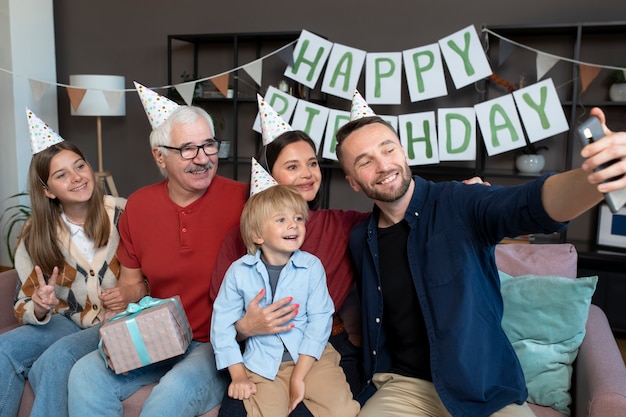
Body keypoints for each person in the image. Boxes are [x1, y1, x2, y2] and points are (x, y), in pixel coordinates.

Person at [333, 95, 626, 417]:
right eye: (365, 161)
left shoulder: (461, 202)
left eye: (388, 149)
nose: (383, 165)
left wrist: (593, 178)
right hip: (402, 387)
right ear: (353, 182)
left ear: (403, 152)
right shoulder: (362, 237)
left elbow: (528, 205)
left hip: (483, 387)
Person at [210, 95, 486, 417]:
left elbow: (398, 203)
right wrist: (246, 327)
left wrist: (457, 194)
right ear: (270, 177)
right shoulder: (240, 242)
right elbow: (222, 321)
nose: (308, 174)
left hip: (324, 346)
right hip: (255, 352)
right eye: (292, 166)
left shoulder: (344, 226)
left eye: (313, 163)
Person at [67, 83, 248, 417]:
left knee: (170, 394)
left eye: (209, 145)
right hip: (160, 332)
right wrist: (121, 299)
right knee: (86, 374)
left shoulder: (244, 200)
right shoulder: (139, 205)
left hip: (216, 343)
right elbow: (134, 284)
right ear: (159, 156)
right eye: (188, 150)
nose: (203, 159)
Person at [0, 109, 128, 417]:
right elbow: (22, 302)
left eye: (79, 166)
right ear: (47, 190)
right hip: (61, 321)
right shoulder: (35, 233)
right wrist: (40, 306)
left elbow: (152, 275)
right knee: (4, 351)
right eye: (61, 175)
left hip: (111, 324)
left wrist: (130, 293)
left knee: (56, 360)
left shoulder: (124, 214)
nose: (76, 177)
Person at [211, 178, 360, 417]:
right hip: (262, 364)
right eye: (281, 219)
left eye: (298, 218)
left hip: (312, 359)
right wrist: (238, 375)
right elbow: (221, 327)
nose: (293, 225)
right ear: (257, 235)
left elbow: (320, 320)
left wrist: (299, 376)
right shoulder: (238, 272)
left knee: (342, 410)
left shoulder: (312, 266)